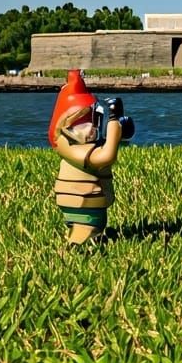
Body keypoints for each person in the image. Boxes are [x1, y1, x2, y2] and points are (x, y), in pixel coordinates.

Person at [48, 69, 126, 245]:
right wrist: (114, 126)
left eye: (93, 122)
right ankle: (76, 246)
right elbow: (105, 157)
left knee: (94, 228)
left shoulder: (81, 144)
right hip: (80, 202)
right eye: (82, 125)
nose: (90, 129)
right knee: (85, 228)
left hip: (89, 201)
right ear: (65, 124)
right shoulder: (67, 145)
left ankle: (89, 238)